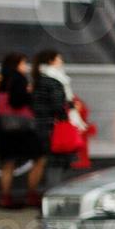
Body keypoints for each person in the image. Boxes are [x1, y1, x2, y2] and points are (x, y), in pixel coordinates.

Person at [0, 52, 45, 209]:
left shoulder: (4, 80)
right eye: (23, 63)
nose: (26, 66)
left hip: (4, 127)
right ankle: (31, 195)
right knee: (39, 158)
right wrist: (30, 93)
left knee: (8, 164)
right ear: (16, 64)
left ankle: (5, 197)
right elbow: (17, 102)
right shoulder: (19, 79)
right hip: (22, 128)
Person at [31, 50, 76, 192]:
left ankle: (40, 193)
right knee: (56, 162)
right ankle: (53, 194)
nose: (61, 62)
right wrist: (68, 109)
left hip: (40, 125)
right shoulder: (56, 81)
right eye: (59, 59)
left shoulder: (39, 80)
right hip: (53, 128)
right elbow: (58, 106)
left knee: (45, 161)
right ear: (51, 61)